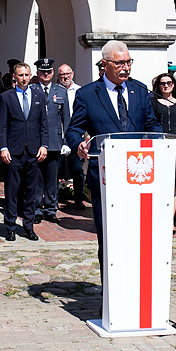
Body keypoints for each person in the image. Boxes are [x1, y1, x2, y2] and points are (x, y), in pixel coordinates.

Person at [67, 40, 161, 267]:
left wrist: (159, 143)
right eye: (120, 63)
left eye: (128, 62)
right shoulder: (88, 94)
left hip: (139, 176)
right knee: (109, 237)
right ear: (105, 64)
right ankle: (109, 294)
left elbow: (153, 126)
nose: (126, 68)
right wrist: (78, 144)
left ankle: (136, 287)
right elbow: (73, 130)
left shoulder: (139, 90)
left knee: (137, 236)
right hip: (105, 177)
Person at [0, 62, 48, 241]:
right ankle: (10, 226)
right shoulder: (6, 97)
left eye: (27, 75)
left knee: (31, 191)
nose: (24, 78)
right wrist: (3, 148)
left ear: (30, 75)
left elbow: (43, 123)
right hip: (13, 151)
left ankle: (28, 226)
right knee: (12, 191)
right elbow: (2, 126)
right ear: (14, 76)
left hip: (34, 151)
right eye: (20, 75)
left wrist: (44, 145)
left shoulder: (39, 95)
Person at [150, 72, 176, 228]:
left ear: (173, 84)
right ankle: (158, 217)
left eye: (169, 83)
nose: (166, 86)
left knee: (175, 183)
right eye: (162, 83)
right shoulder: (153, 103)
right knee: (159, 182)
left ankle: (170, 220)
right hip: (158, 146)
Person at [32, 58, 69, 224]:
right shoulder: (32, 90)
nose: (45, 74)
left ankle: (51, 208)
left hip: (55, 140)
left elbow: (66, 118)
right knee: (37, 177)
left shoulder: (60, 91)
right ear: (38, 73)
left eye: (48, 71)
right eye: (42, 71)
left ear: (53, 73)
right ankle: (37, 208)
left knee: (52, 178)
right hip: (36, 141)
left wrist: (66, 141)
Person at [57, 63, 84, 208]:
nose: (65, 77)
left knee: (77, 169)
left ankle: (78, 199)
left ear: (72, 74)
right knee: (56, 169)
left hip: (75, 135)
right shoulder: (54, 91)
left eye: (67, 74)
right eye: (62, 74)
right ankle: (54, 200)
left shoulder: (80, 91)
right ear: (58, 76)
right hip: (58, 134)